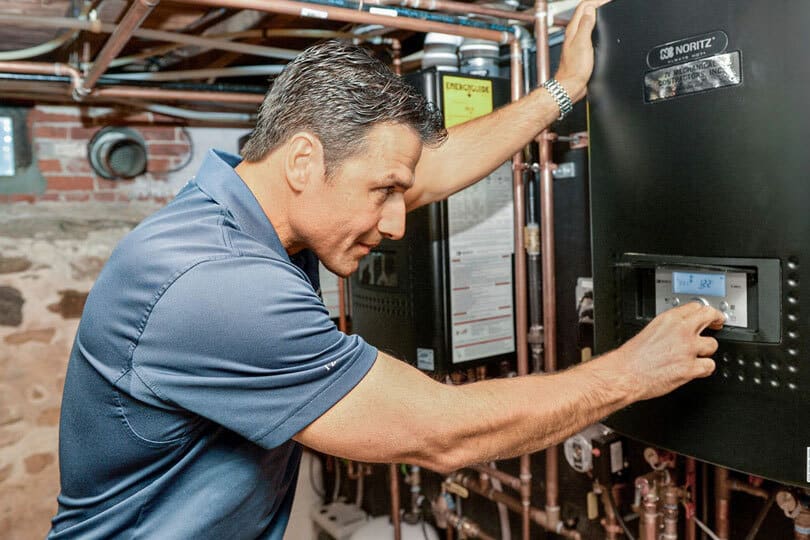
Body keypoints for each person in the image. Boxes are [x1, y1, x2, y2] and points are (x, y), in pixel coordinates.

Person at [49, 1, 724, 537]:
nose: (398, 220)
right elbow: (443, 432)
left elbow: (428, 172)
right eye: (382, 193)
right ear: (305, 161)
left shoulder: (259, 210)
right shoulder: (218, 285)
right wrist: (632, 371)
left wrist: (562, 90)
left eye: (395, 192)